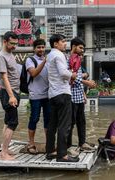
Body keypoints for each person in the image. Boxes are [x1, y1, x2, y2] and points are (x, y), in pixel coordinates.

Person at [45, 34, 78, 162]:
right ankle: (62, 155)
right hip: (62, 93)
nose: (65, 44)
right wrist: (73, 75)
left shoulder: (50, 56)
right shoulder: (59, 55)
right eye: (63, 42)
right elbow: (64, 73)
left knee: (52, 124)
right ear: (55, 44)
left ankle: (50, 151)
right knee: (65, 125)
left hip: (52, 94)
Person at [67, 37, 97, 156]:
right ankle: (68, 146)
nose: (82, 50)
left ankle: (82, 143)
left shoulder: (78, 60)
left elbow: (78, 77)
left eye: (83, 48)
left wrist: (84, 94)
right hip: (71, 97)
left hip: (79, 96)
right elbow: (70, 77)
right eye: (80, 47)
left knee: (82, 121)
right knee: (70, 122)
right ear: (73, 46)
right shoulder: (68, 59)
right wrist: (87, 82)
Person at [0, 31, 20, 160]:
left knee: (7, 121)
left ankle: (4, 148)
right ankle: (3, 153)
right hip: (8, 93)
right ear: (4, 41)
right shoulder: (1, 56)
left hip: (14, 91)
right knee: (13, 122)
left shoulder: (10, 54)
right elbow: (4, 77)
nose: (14, 46)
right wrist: (11, 96)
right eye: (12, 44)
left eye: (16, 44)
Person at [25, 39, 50, 154]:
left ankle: (48, 143)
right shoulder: (30, 60)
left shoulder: (49, 60)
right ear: (34, 49)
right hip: (35, 95)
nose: (41, 49)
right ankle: (31, 143)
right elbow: (33, 73)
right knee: (34, 119)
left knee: (48, 120)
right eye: (38, 47)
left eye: (43, 47)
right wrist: (44, 62)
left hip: (48, 95)